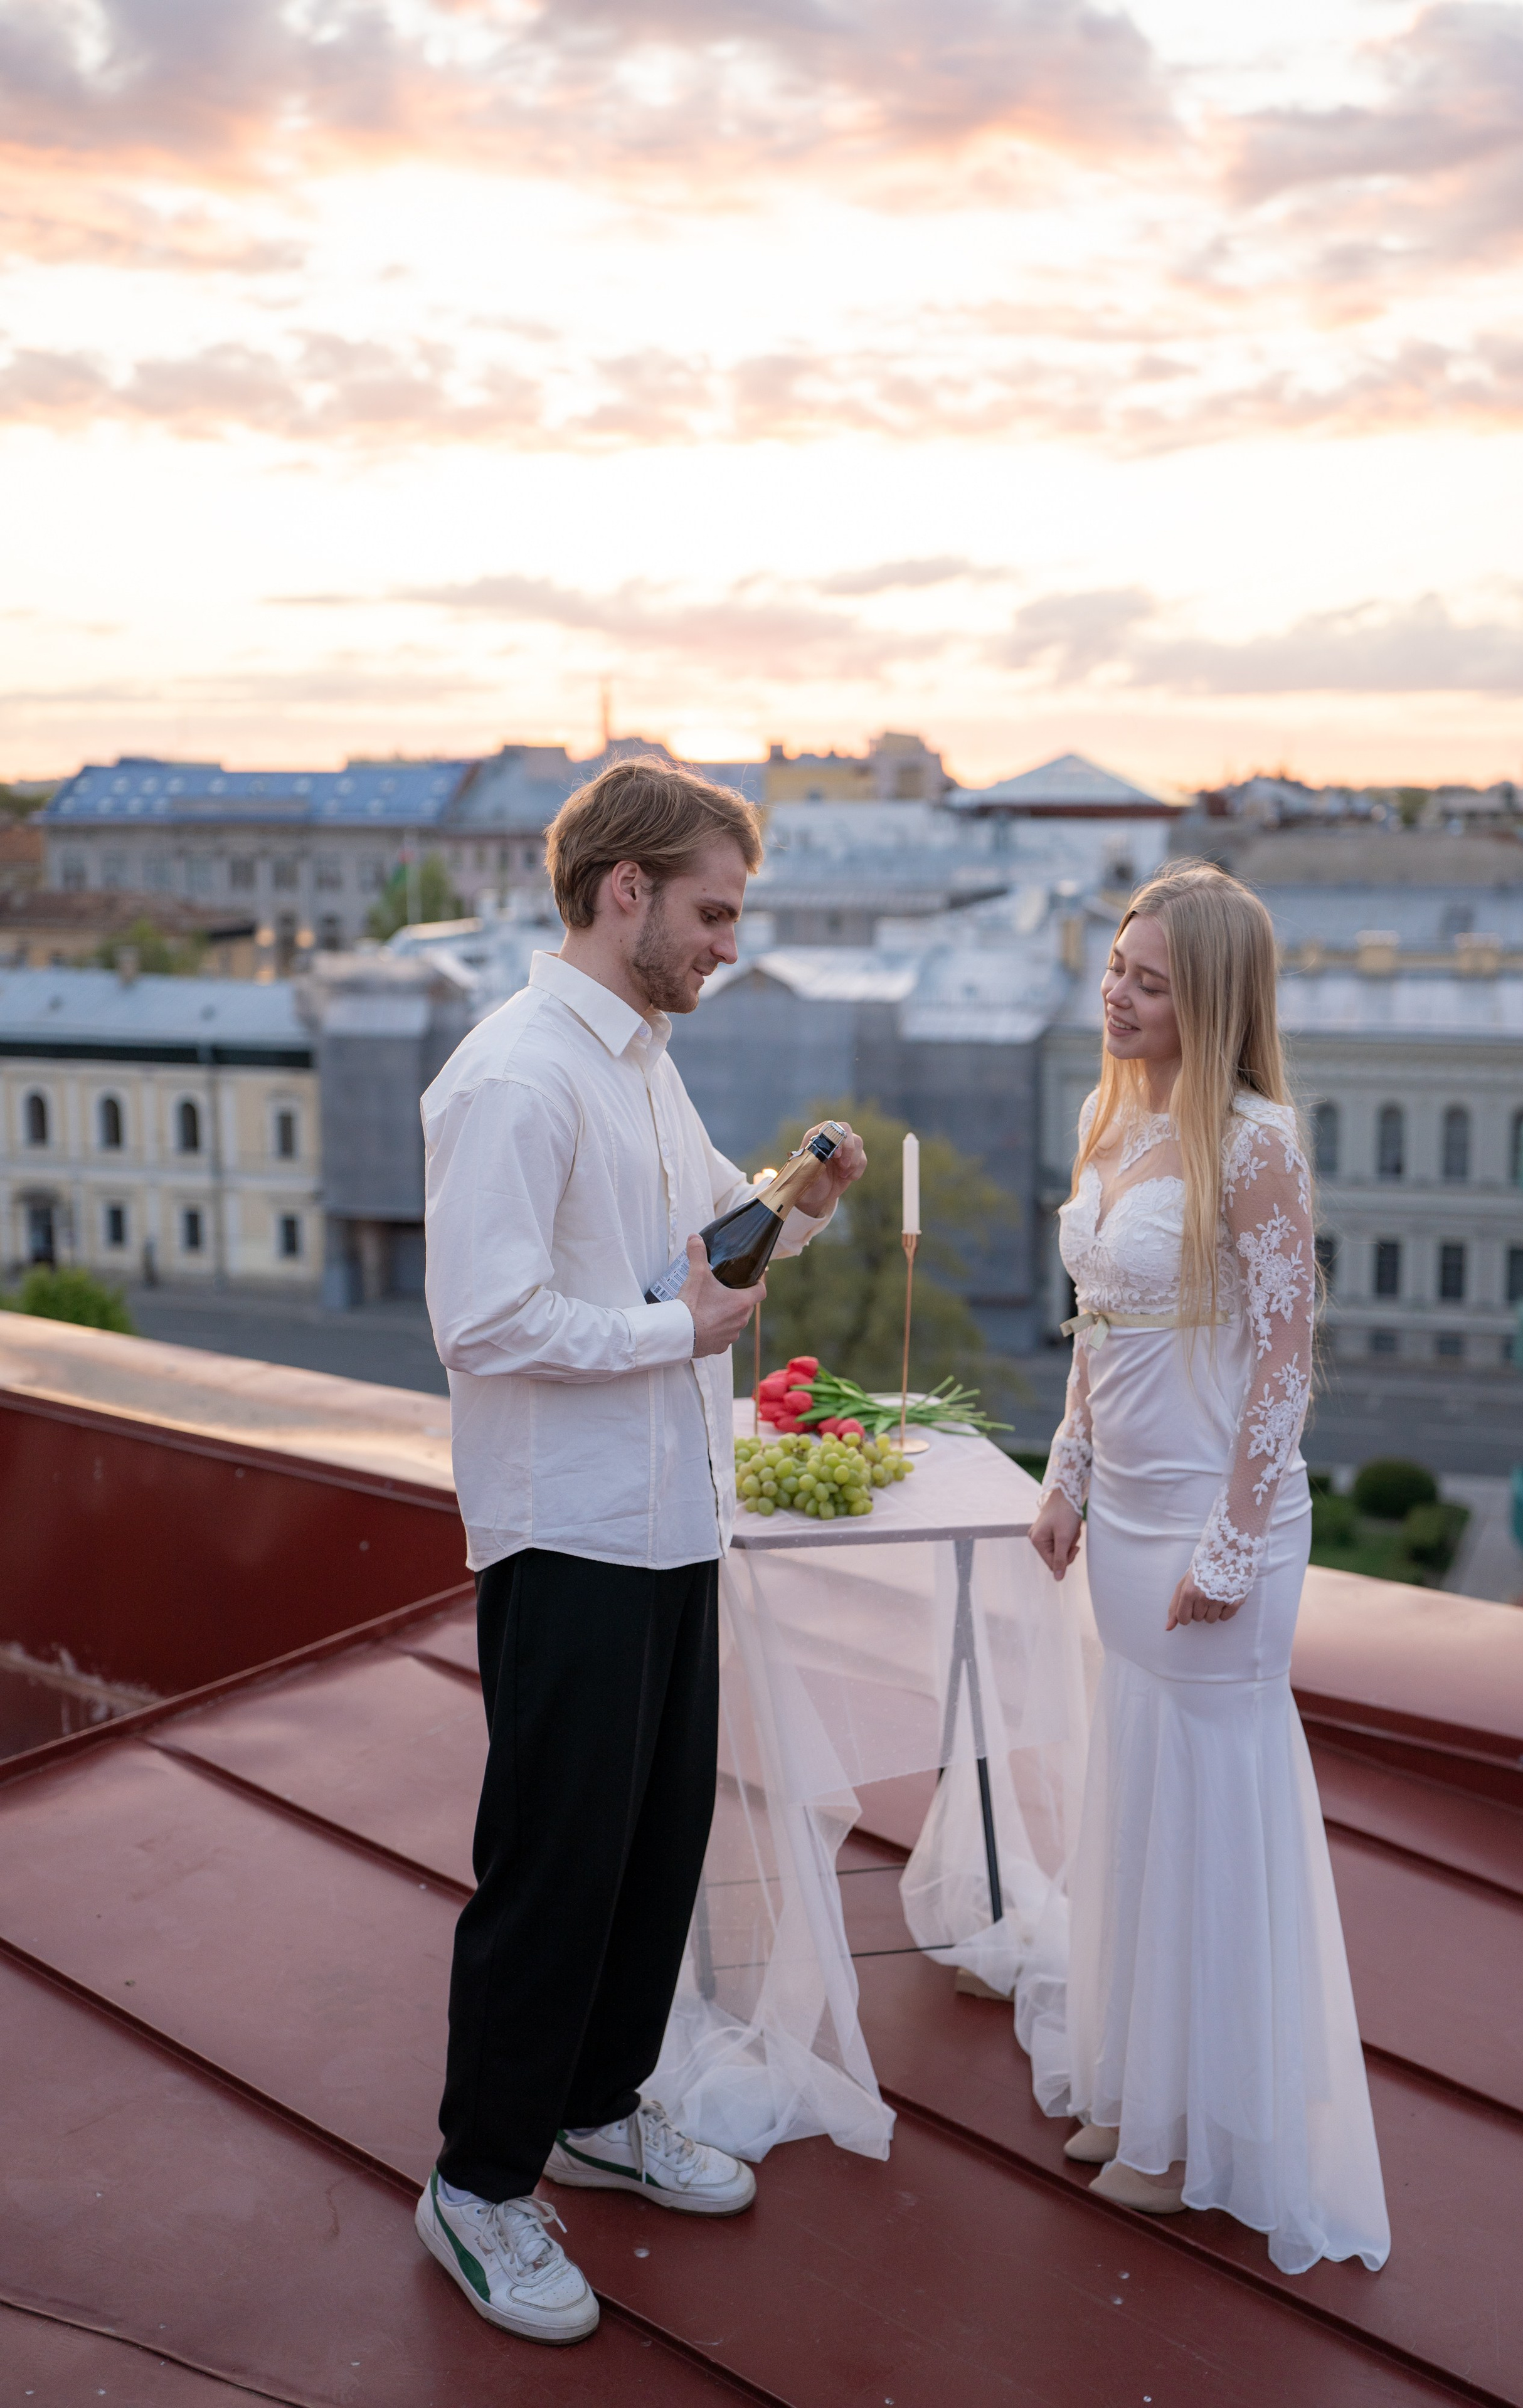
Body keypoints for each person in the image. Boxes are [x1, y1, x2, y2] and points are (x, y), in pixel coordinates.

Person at [413, 757, 866, 2343]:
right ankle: (476, 2189)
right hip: (572, 1534)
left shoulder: (642, 1059)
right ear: (625, 895)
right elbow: (480, 1322)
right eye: (712, 912)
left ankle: (597, 2107)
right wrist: (672, 1324)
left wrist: (791, 1210)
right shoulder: (516, 1076)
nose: (728, 942)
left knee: (652, 1845)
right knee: (553, 1867)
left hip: (673, 1521)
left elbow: (692, 1255)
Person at [1026, 860, 1389, 2277]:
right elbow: (1096, 1324)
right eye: (1114, 968)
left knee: (1207, 1814)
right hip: (1120, 1518)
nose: (1115, 995)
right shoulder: (1106, 1115)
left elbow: (1285, 1361)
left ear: (1214, 998)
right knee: (1139, 1793)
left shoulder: (1252, 1146)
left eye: (1148, 981)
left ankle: (1197, 2138)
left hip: (1214, 1531)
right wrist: (1064, 1475)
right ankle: (1138, 2092)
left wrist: (1233, 1545)